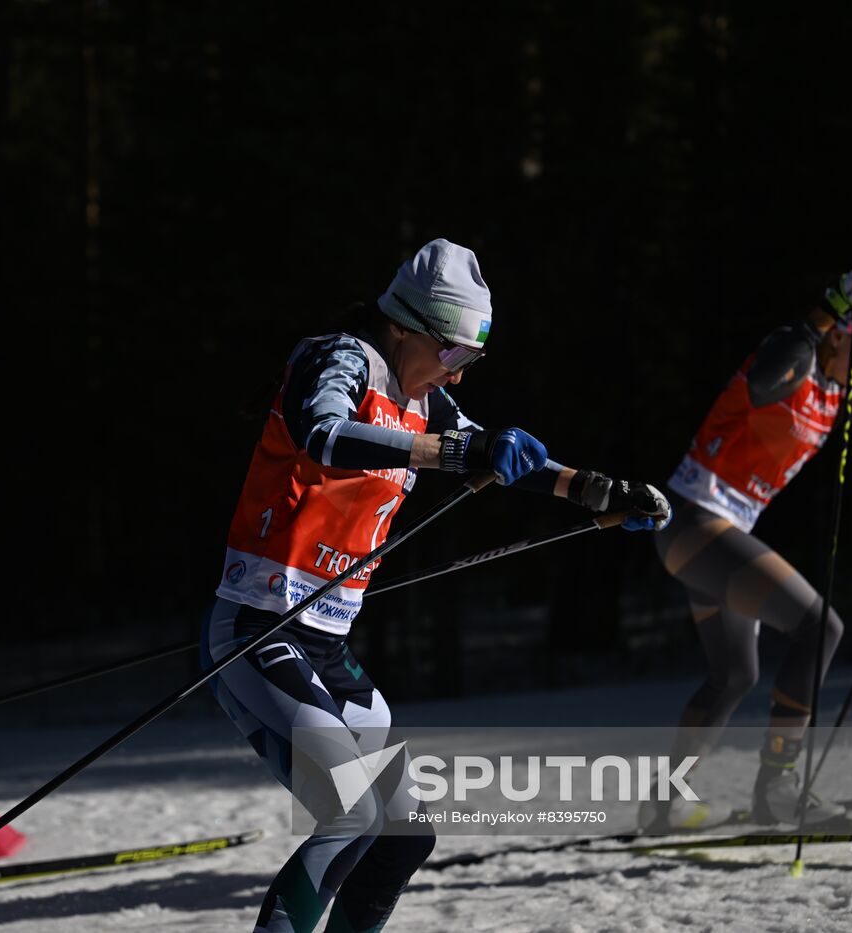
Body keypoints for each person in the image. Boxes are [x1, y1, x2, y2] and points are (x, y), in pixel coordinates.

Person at [204, 238, 671, 933]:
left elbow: (502, 455)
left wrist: (602, 491)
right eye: (451, 354)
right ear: (403, 326)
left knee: (402, 835)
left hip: (327, 646)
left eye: (470, 362)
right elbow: (324, 435)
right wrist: (459, 451)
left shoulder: (422, 397)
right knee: (352, 814)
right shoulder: (340, 357)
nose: (456, 377)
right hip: (258, 629)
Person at [648, 266, 852, 830]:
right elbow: (762, 383)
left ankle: (664, 802)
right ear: (842, 337)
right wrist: (825, 310)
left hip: (713, 534)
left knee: (734, 674)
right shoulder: (795, 358)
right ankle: (777, 787)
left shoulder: (840, 386)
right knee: (820, 626)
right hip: (694, 521)